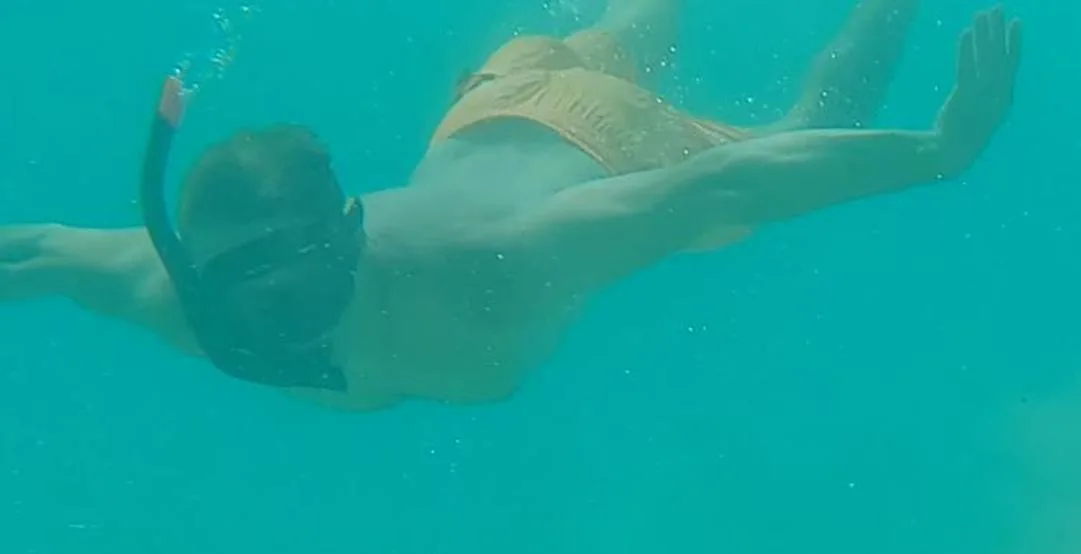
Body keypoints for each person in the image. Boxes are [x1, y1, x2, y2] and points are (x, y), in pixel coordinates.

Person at [0, 0, 1021, 409]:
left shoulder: (503, 257)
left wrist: (941, 148)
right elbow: (35, 250)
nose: (265, 313)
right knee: (632, 18)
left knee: (815, 114)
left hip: (602, 137)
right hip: (491, 107)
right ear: (190, 260)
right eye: (230, 282)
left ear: (351, 234)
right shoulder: (173, 290)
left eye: (289, 277)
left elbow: (725, 182)